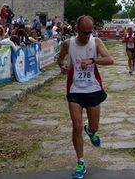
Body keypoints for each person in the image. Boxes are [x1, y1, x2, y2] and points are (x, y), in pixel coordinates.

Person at [57, 15, 113, 179]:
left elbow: (110, 60)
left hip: (93, 89)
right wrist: (63, 66)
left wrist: (93, 61)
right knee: (76, 125)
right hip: (75, 89)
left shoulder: (96, 42)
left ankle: (90, 131)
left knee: (94, 126)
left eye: (90, 32)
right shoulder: (69, 44)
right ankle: (80, 162)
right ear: (77, 29)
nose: (87, 35)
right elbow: (60, 59)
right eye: (84, 32)